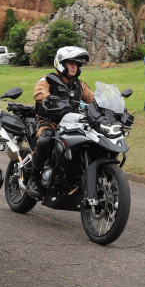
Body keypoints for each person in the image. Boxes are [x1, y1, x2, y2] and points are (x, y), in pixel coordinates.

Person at [28, 46, 95, 198]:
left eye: (76, 64)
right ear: (61, 64)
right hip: (49, 121)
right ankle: (35, 177)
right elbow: (38, 92)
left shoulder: (79, 85)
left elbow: (93, 99)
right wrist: (48, 97)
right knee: (46, 139)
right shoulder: (48, 79)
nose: (74, 67)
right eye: (71, 63)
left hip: (72, 124)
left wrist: (107, 106)